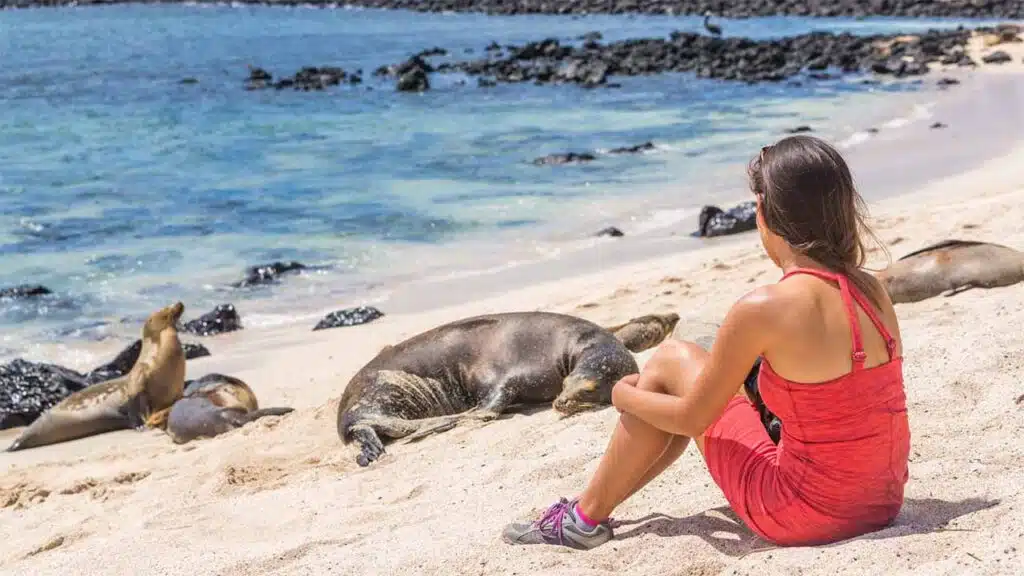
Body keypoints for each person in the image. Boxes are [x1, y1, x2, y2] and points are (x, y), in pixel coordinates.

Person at [502, 135, 910, 550]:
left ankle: (584, 518)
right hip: (880, 504)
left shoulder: (764, 308)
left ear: (765, 214)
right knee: (682, 371)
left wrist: (621, 394)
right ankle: (588, 512)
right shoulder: (870, 290)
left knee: (668, 364)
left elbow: (690, 420)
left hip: (802, 515)